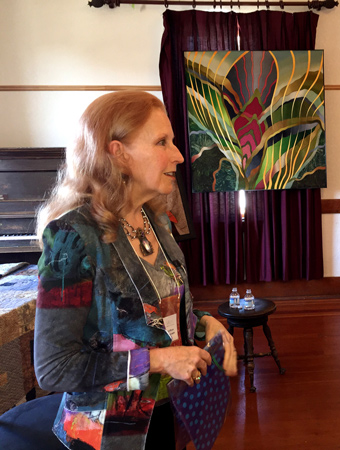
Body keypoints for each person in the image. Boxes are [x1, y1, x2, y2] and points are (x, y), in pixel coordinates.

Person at [34, 91, 238, 450]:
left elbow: (158, 316)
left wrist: (205, 323)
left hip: (169, 414)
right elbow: (54, 367)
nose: (178, 155)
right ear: (119, 153)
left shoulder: (155, 218)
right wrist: (158, 361)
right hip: (109, 433)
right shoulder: (72, 237)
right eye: (162, 142)